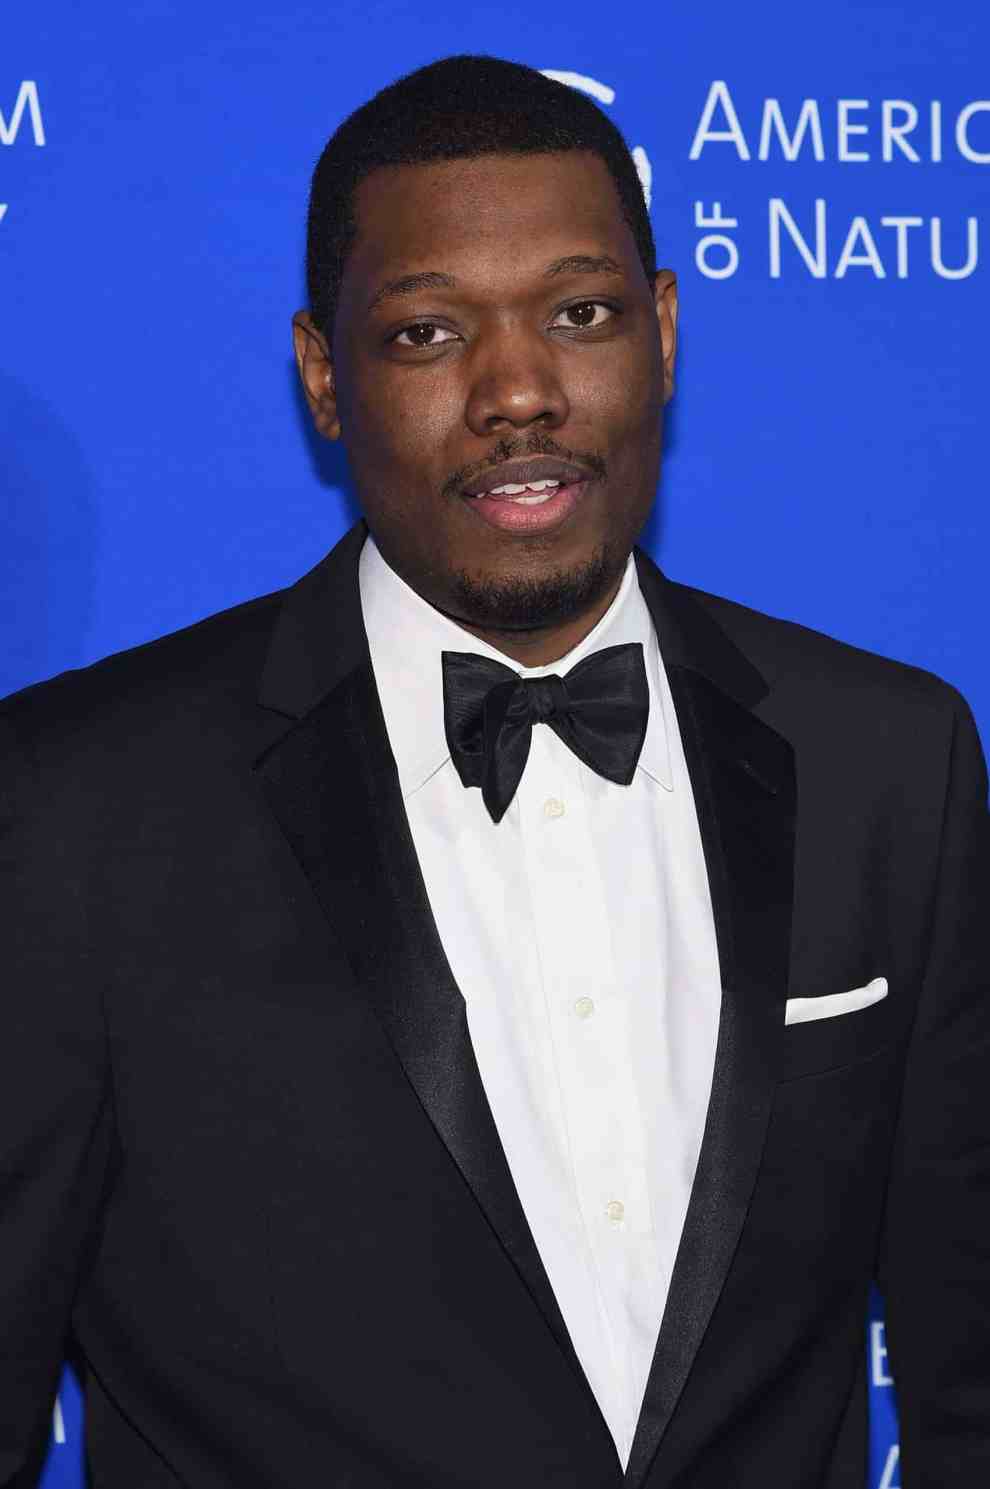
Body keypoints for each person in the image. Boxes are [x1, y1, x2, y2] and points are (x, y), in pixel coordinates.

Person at [1, 52, 987, 1489]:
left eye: (579, 315)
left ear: (659, 332)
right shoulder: (72, 808)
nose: (518, 389)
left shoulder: (888, 759)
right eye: (425, 333)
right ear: (324, 379)